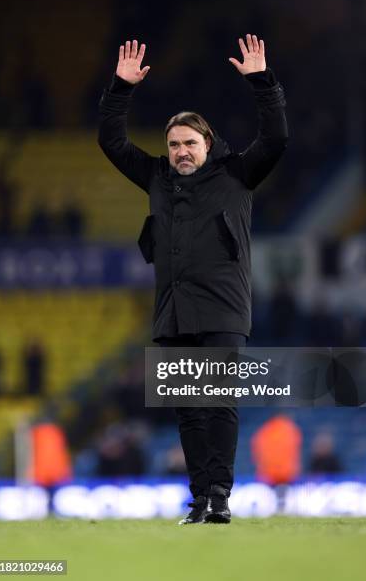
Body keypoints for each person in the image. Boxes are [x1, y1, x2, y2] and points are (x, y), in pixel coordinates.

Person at [98, 35, 288, 524]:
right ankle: (200, 498)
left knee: (218, 403)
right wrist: (121, 88)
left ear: (208, 143)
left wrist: (262, 83)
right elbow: (111, 141)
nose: (182, 151)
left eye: (190, 143)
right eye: (175, 144)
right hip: (173, 310)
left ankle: (220, 497)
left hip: (223, 307)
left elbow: (276, 138)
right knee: (187, 409)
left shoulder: (237, 174)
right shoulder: (157, 177)